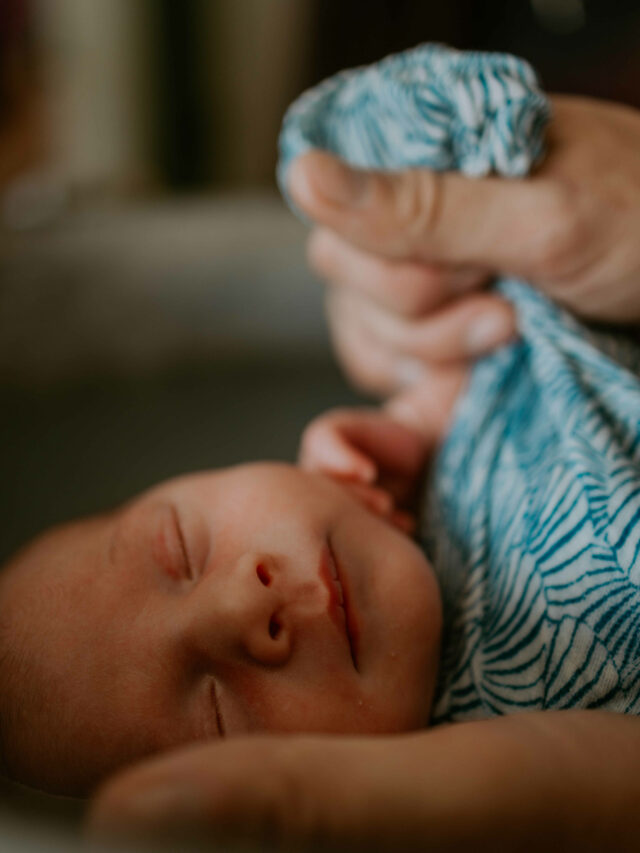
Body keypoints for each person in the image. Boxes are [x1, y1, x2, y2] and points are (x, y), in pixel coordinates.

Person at [83, 62, 640, 853]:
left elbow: (507, 348)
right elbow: (580, 773)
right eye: (217, 717)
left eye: (182, 550)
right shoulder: (471, 744)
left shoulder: (437, 449)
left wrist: (415, 422)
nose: (243, 608)